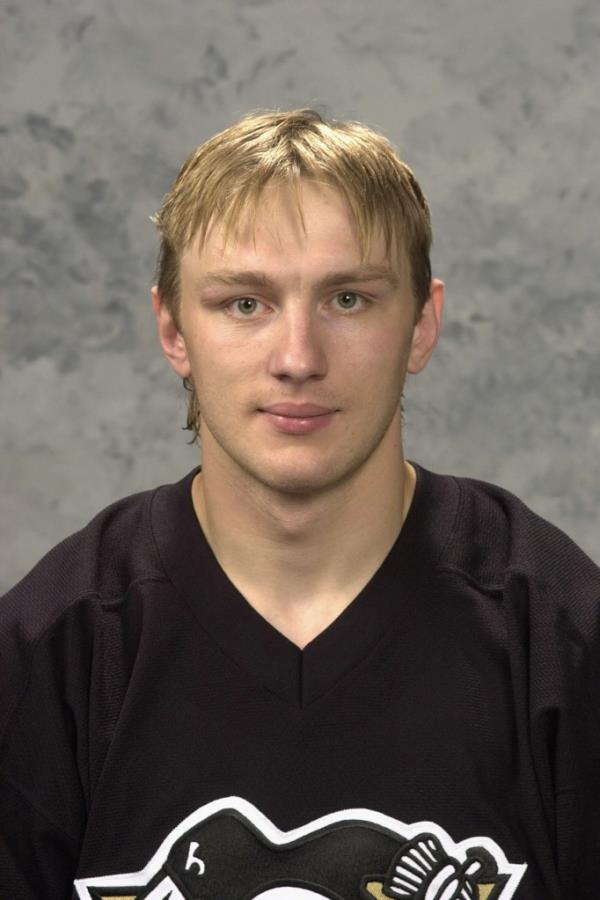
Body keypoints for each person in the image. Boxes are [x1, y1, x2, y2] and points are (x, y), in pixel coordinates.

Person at [0, 108, 598, 900]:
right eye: (245, 304)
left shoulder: (560, 637)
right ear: (173, 328)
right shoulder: (50, 650)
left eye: (348, 299)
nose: (298, 358)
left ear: (422, 323)